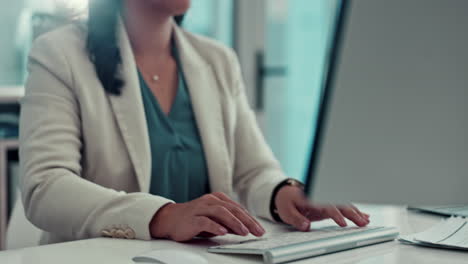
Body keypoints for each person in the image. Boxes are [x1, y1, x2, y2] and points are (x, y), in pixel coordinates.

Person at [19, 0, 369, 244]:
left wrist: (285, 194)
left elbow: (253, 172)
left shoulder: (217, 60)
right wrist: (162, 216)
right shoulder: (59, 54)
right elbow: (46, 187)